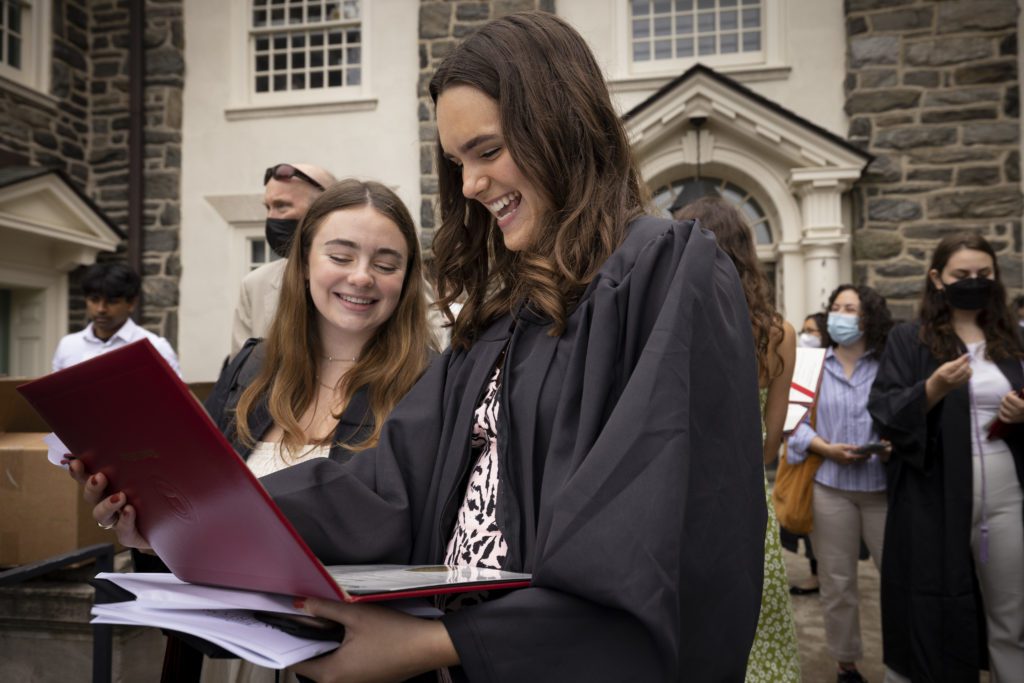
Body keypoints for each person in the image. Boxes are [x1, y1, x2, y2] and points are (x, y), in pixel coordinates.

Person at [77, 11, 766, 682]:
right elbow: (385, 486)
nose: (470, 185)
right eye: (458, 161)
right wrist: (180, 517)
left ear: (562, 125)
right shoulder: (504, 318)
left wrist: (429, 642)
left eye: (489, 151)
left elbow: (645, 539)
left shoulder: (668, 273)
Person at [868, 233, 1024, 683]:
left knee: (1010, 607)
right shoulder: (909, 340)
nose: (974, 282)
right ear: (937, 278)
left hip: (1006, 489)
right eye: (962, 275)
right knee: (933, 601)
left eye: (984, 274)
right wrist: (932, 389)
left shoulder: (1011, 340)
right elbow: (885, 411)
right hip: (934, 492)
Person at [675, 196, 800, 682]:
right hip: (747, 497)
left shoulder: (675, 326)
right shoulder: (777, 333)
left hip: (682, 496)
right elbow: (769, 443)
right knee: (757, 617)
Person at [787, 284, 894, 683]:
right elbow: (792, 424)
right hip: (829, 487)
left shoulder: (888, 363)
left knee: (898, 578)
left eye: (851, 308)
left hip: (881, 488)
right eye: (836, 307)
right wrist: (823, 447)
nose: (841, 315)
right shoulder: (809, 364)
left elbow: (904, 416)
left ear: (869, 317)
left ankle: (901, 661)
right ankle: (846, 665)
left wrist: (888, 447)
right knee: (837, 582)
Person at [231, 162, 336, 356]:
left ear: (324, 210)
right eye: (268, 207)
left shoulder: (361, 280)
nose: (271, 217)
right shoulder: (255, 285)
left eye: (282, 206)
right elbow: (240, 377)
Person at [52, 261, 181, 377]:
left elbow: (177, 398)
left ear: (131, 304)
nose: (101, 309)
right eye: (94, 300)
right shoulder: (68, 345)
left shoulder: (155, 347)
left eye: (112, 302)